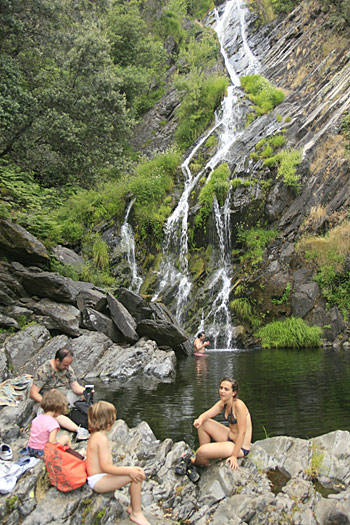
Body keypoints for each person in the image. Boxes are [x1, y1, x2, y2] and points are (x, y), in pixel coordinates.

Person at [86, 401, 150, 525]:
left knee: (136, 472)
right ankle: (136, 512)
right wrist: (129, 470)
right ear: (109, 422)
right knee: (136, 475)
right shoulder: (101, 439)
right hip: (98, 481)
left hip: (99, 477)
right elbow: (106, 467)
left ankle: (133, 507)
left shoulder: (95, 435)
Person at [191, 377, 252, 470]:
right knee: (203, 423)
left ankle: (197, 460)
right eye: (221, 388)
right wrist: (200, 419)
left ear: (234, 393)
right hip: (229, 436)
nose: (222, 391)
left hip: (239, 447)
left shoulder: (239, 406)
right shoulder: (224, 403)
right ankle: (205, 459)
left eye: (226, 389)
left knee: (200, 452)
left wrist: (234, 456)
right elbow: (207, 414)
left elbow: (242, 433)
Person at [29, 345, 89, 439]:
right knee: (52, 414)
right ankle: (78, 430)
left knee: (85, 396)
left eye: (68, 365)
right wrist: (48, 403)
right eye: (65, 365)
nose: (67, 367)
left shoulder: (67, 369)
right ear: (57, 360)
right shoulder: (44, 370)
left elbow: (75, 387)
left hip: (64, 395)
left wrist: (86, 391)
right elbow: (33, 393)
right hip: (49, 400)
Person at [27, 389, 72, 458]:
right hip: (43, 452)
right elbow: (52, 442)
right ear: (57, 409)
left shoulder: (37, 419)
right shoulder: (53, 423)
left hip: (31, 450)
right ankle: (71, 455)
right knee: (66, 438)